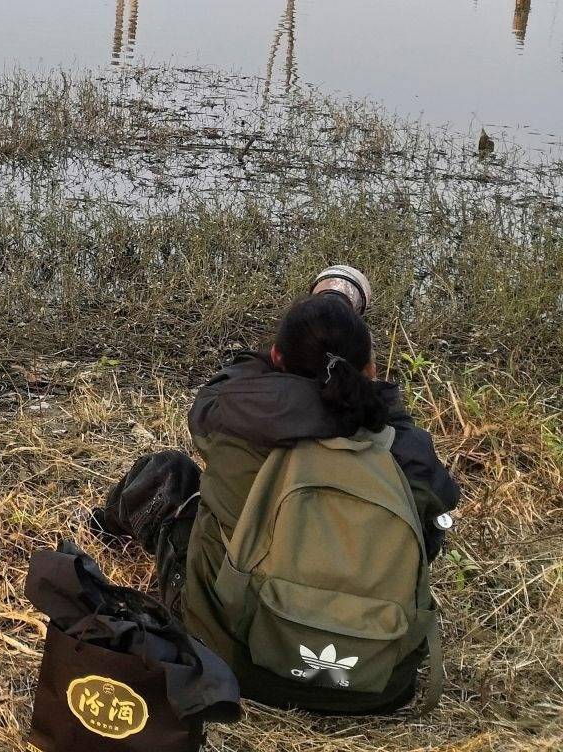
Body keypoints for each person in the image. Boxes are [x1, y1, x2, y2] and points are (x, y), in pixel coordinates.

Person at [94, 277, 460, 715]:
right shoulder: (407, 453)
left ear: (276, 357)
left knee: (167, 474)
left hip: (238, 664)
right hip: (379, 682)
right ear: (369, 368)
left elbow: (223, 388)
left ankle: (101, 526)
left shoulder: (234, 422)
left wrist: (309, 320)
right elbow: (429, 544)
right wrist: (376, 393)